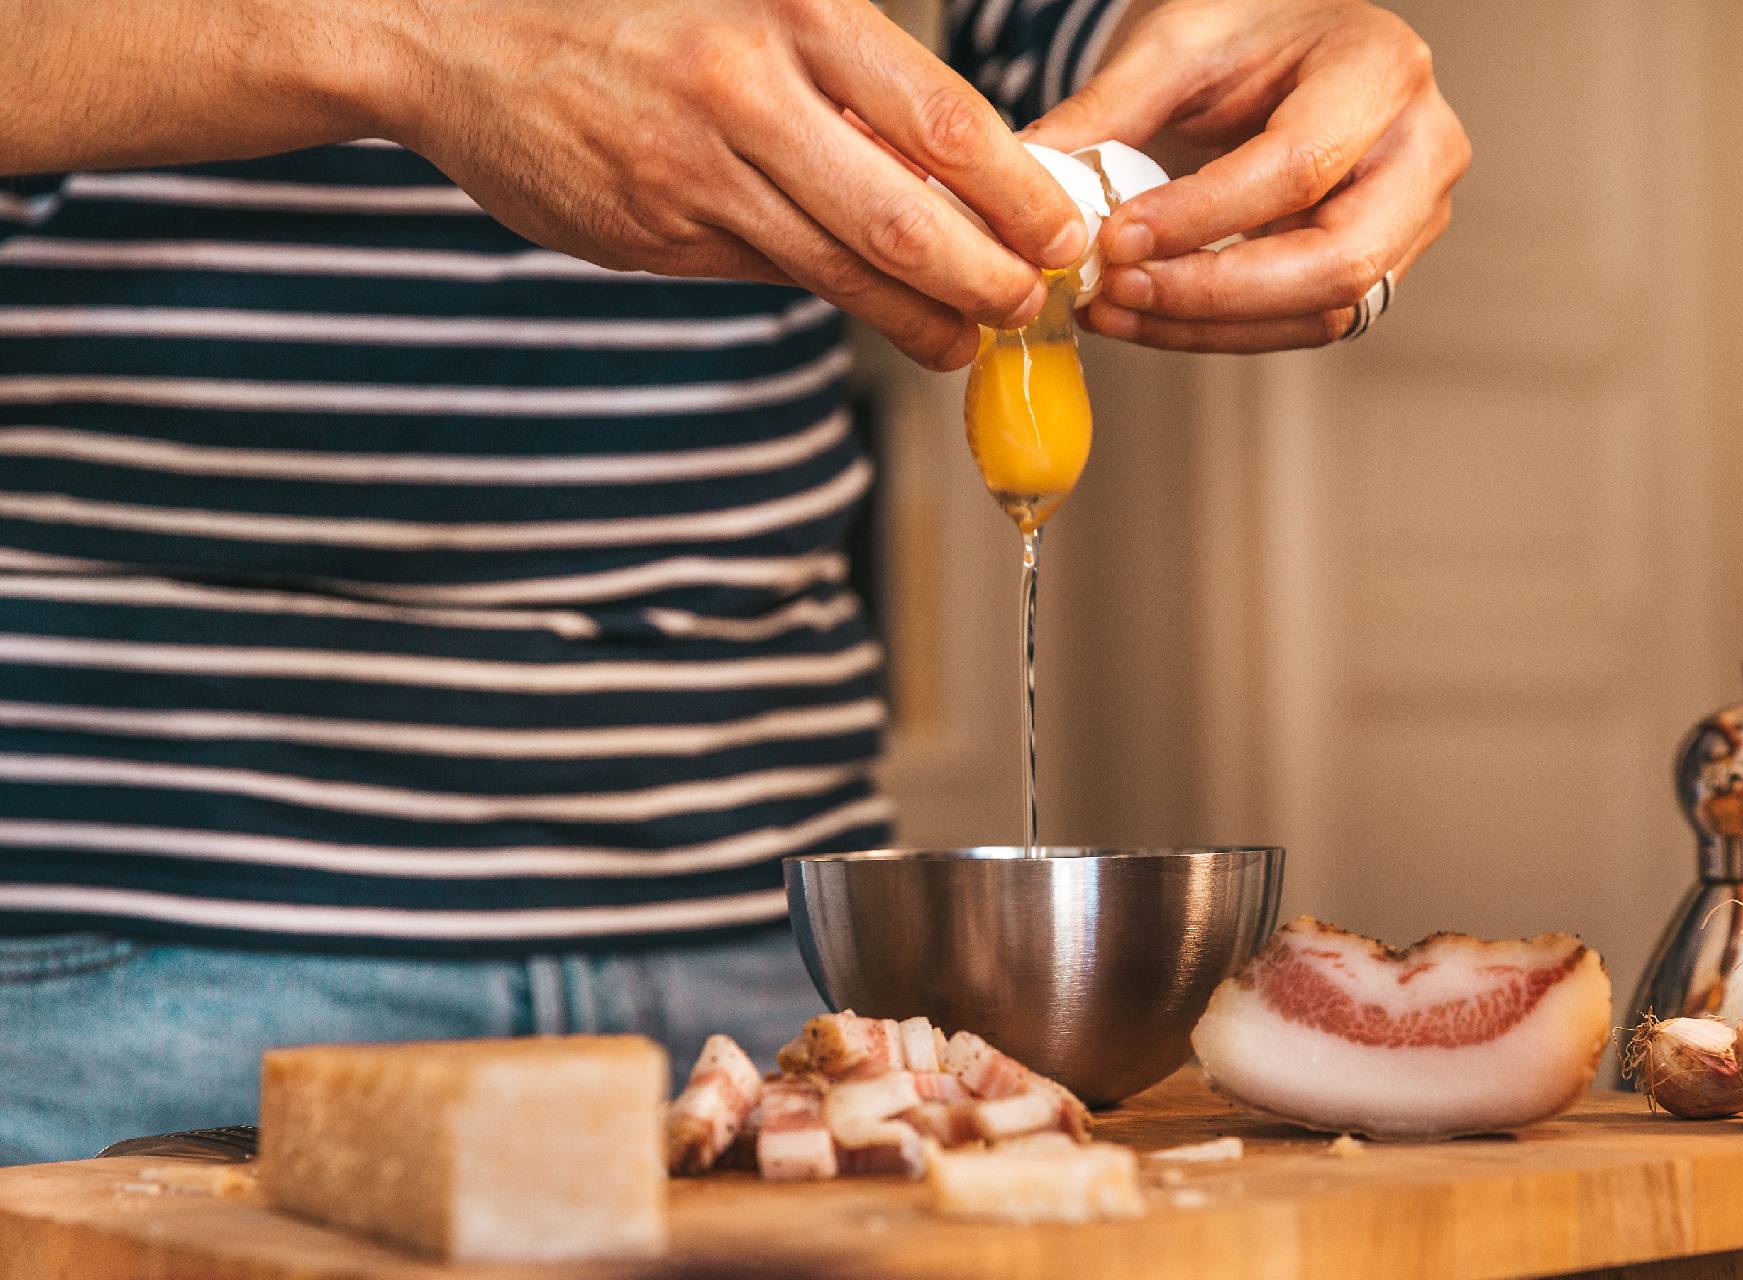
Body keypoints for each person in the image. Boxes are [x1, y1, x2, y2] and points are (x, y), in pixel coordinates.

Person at [0, 0, 1467, 1163]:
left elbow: (1065, 36)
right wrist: (402, 39)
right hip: (129, 930)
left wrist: (1239, 54)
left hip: (781, 948)